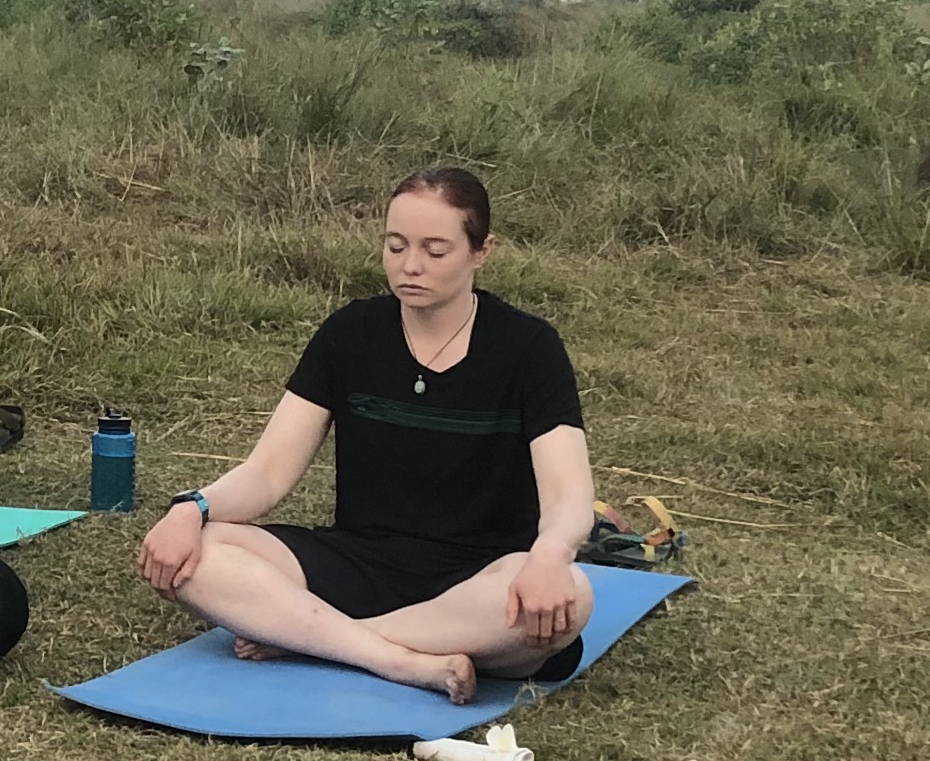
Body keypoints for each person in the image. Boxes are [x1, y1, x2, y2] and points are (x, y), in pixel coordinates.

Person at [134, 164, 595, 701]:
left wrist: (550, 556)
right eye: (395, 246)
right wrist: (193, 509)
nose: (410, 266)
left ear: (481, 250)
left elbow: (568, 495)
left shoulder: (528, 348)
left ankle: (312, 639)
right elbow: (267, 472)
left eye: (435, 250)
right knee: (200, 555)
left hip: (481, 580)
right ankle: (396, 659)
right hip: (358, 562)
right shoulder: (350, 334)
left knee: (573, 597)